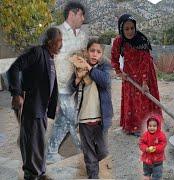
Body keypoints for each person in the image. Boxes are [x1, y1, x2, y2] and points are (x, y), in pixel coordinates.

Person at [7, 27, 62, 179]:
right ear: (51, 41)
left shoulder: (49, 57)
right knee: (31, 143)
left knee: (38, 143)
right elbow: (13, 68)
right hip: (31, 106)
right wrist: (16, 93)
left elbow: (51, 82)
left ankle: (40, 173)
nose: (61, 44)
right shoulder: (37, 52)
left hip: (41, 109)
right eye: (59, 41)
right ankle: (31, 175)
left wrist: (54, 103)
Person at [47, 1, 88, 163]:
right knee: (72, 119)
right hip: (60, 86)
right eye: (81, 14)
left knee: (63, 120)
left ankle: (51, 152)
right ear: (72, 14)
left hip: (74, 85)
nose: (83, 18)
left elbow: (82, 58)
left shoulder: (82, 36)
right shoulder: (56, 32)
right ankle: (87, 152)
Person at [111, 14, 162, 137]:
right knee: (132, 101)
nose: (130, 31)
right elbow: (114, 56)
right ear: (121, 29)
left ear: (135, 27)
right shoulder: (119, 41)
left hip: (144, 73)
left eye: (132, 28)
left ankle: (146, 127)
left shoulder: (141, 41)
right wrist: (119, 72)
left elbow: (145, 62)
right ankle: (131, 126)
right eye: (126, 29)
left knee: (144, 100)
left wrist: (145, 82)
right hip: (129, 75)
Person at [69, 38, 113, 179]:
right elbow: (70, 88)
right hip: (84, 118)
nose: (94, 54)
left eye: (98, 52)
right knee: (89, 153)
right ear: (87, 52)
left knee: (103, 151)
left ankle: (93, 162)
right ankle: (93, 175)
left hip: (101, 118)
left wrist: (89, 68)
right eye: (92, 51)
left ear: (101, 55)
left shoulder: (104, 68)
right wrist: (76, 80)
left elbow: (105, 81)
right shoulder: (78, 67)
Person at [139, 114, 167, 180]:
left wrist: (156, 148)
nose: (152, 128)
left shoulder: (161, 135)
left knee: (157, 176)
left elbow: (163, 144)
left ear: (158, 126)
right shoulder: (145, 135)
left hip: (157, 161)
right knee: (146, 173)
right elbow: (141, 143)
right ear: (147, 126)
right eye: (150, 126)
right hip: (147, 160)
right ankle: (147, 176)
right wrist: (146, 148)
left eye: (154, 126)